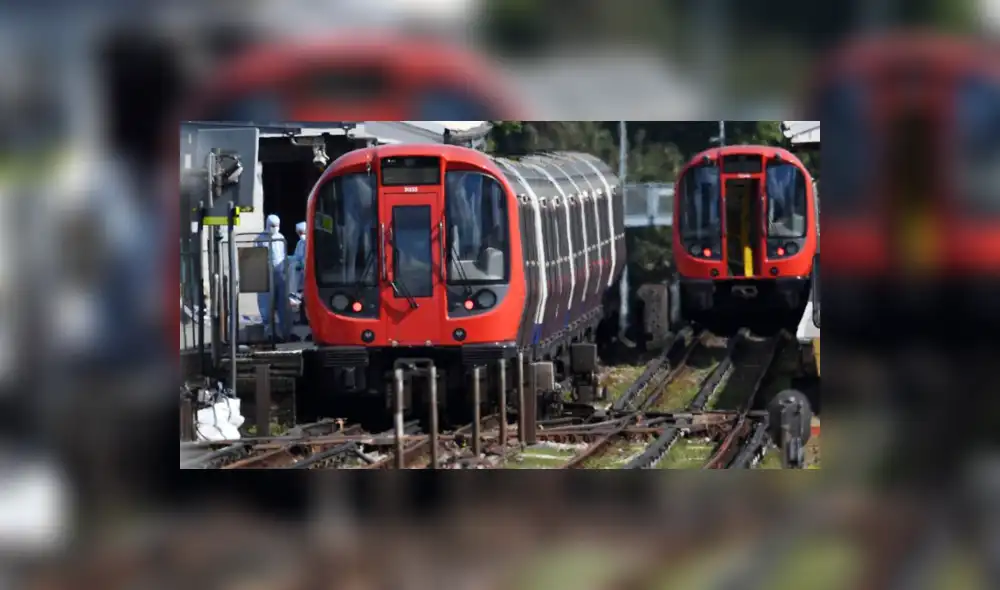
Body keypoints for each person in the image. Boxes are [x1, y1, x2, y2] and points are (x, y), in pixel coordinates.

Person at [256, 214, 287, 339]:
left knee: (282, 303)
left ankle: (283, 332)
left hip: (280, 274)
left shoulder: (280, 238)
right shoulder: (260, 239)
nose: (275, 228)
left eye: (277, 226)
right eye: (273, 226)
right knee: (266, 303)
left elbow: (283, 256)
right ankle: (269, 332)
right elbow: (256, 256)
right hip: (266, 274)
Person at [291, 221, 307, 293]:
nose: (301, 235)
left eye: (302, 232)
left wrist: (302, 264)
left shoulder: (310, 242)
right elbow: (296, 256)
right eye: (299, 233)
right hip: (299, 272)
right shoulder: (299, 243)